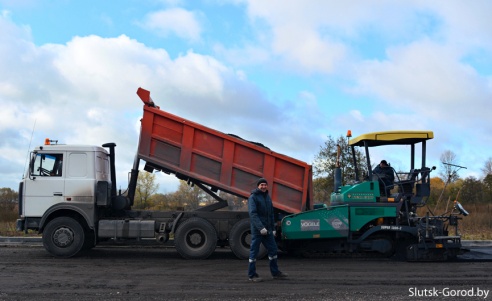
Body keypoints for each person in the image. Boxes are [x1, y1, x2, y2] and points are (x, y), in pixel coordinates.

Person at [247, 178, 288, 282]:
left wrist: (273, 228)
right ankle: (252, 275)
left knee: (273, 250)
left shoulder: (267, 197)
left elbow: (270, 214)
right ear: (258, 186)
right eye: (261, 185)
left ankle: (275, 273)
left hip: (268, 231)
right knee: (254, 252)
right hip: (258, 231)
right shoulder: (253, 197)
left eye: (265, 185)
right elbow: (253, 214)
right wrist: (261, 228)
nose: (263, 186)